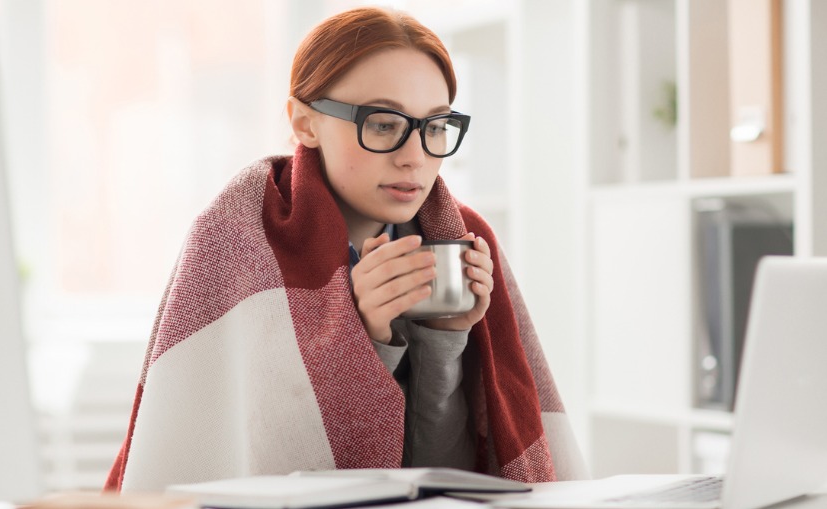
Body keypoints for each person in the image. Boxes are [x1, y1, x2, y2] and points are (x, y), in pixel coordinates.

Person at [105, 6, 586, 493]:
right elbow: (272, 475)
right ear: (304, 122)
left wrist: (445, 337)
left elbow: (450, 481)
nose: (414, 157)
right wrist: (364, 341)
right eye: (382, 124)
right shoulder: (237, 241)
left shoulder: (463, 238)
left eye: (436, 127)